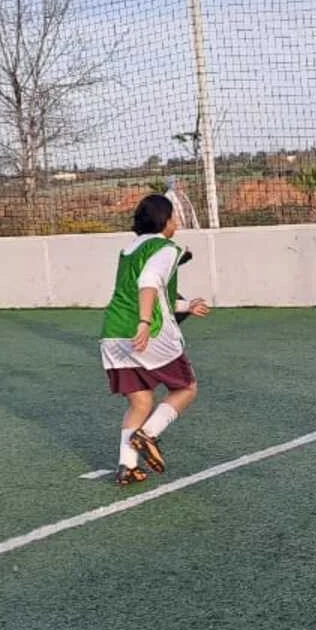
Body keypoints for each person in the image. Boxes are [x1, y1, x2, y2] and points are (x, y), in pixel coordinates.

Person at [100, 194, 212, 486]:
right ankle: (147, 435)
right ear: (164, 221)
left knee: (140, 401)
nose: (176, 222)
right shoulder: (166, 248)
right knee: (186, 388)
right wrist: (145, 323)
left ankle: (127, 466)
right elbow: (148, 282)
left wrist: (187, 306)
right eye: (173, 216)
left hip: (113, 334)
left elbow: (145, 293)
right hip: (146, 332)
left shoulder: (129, 250)